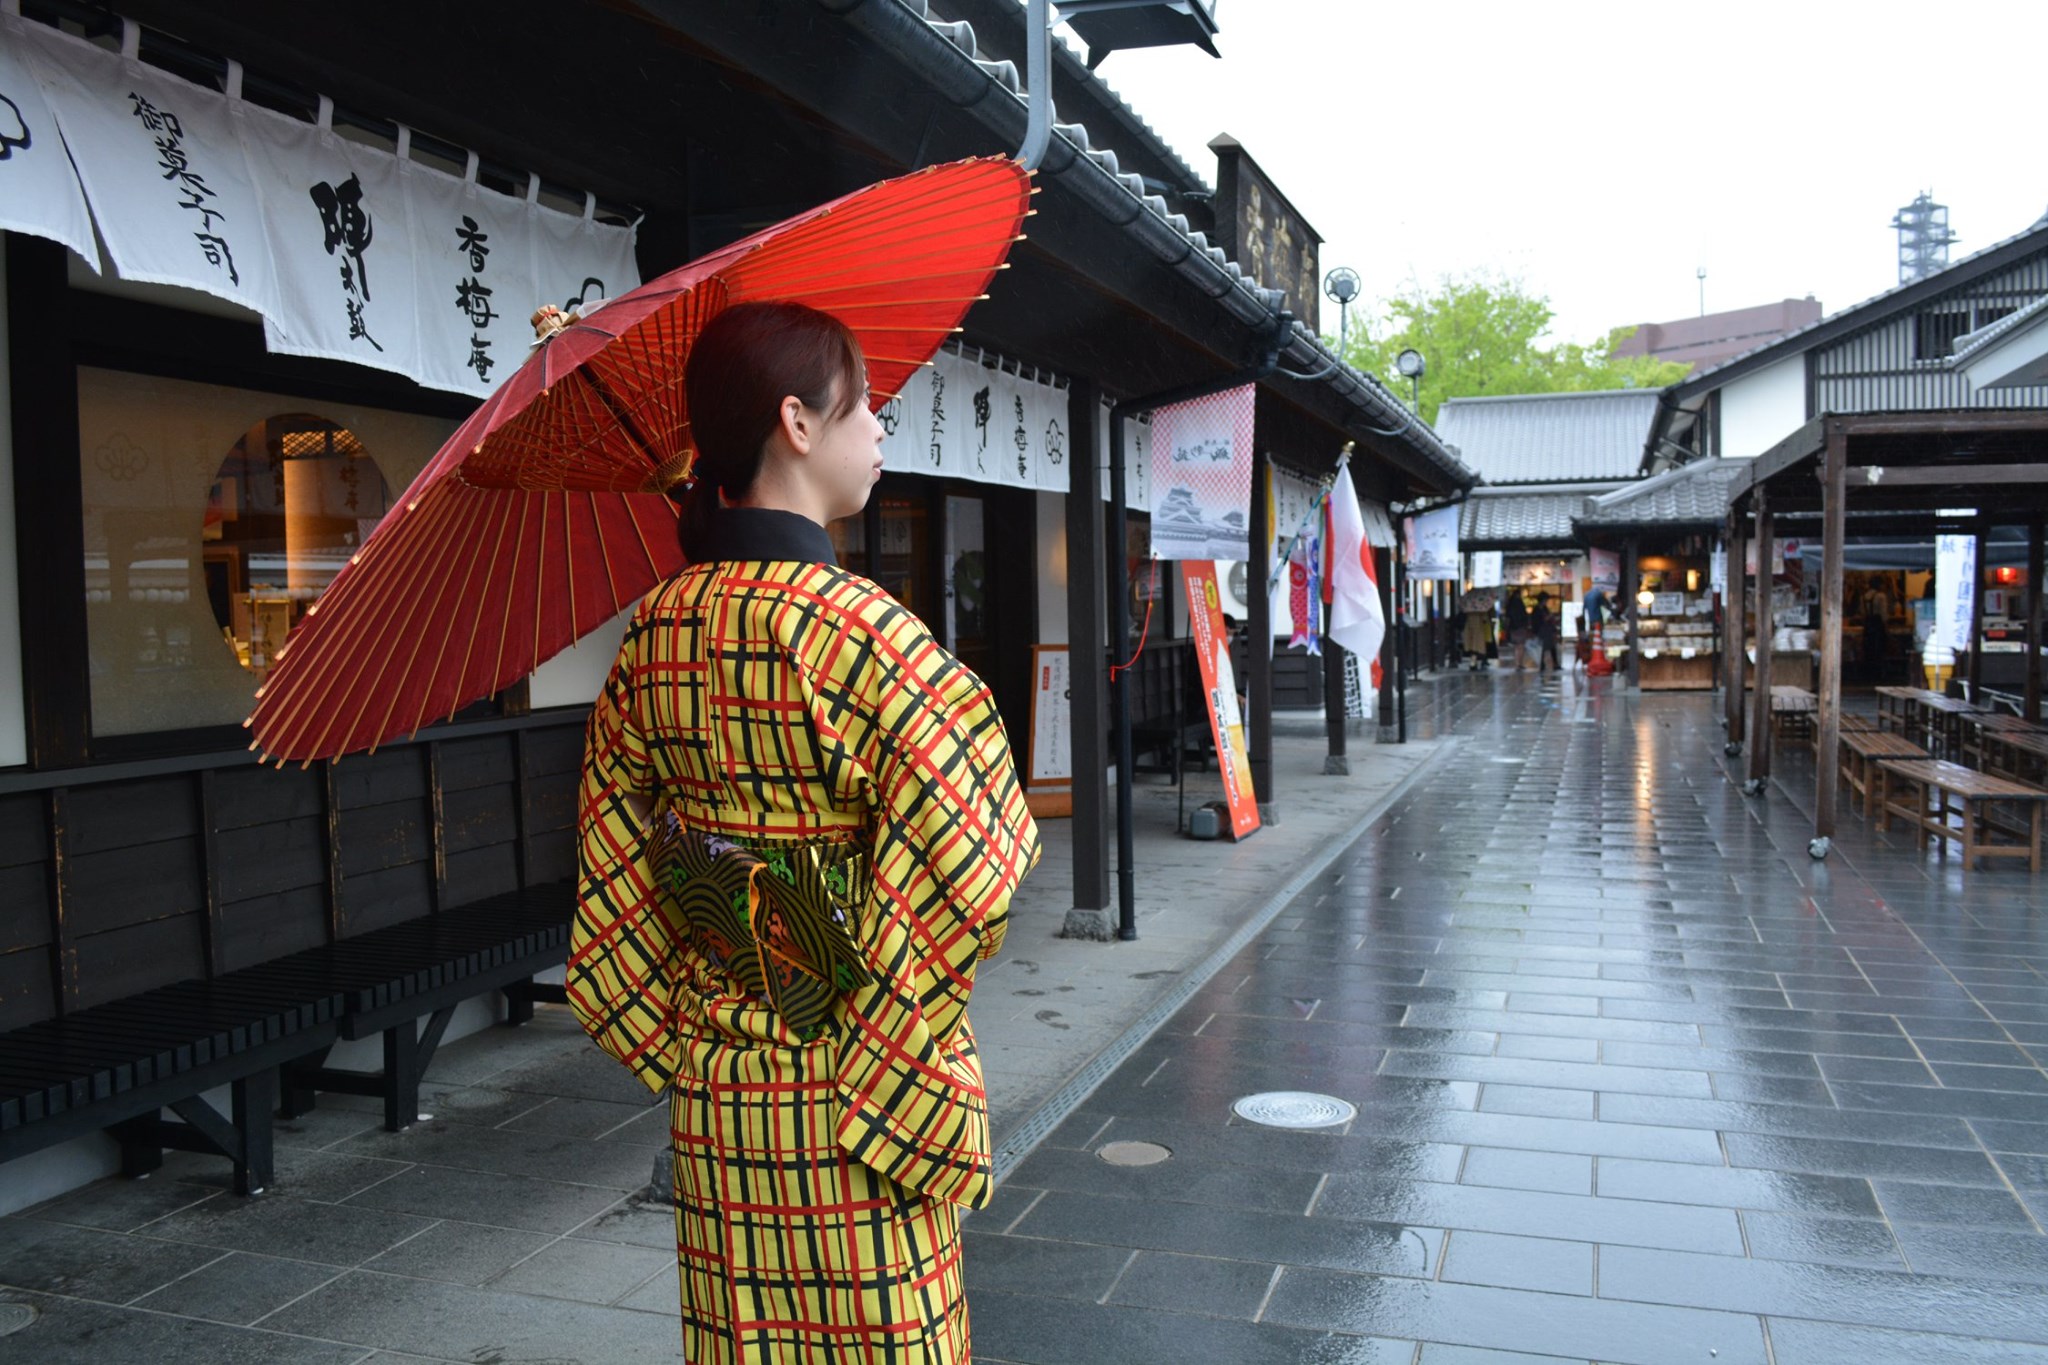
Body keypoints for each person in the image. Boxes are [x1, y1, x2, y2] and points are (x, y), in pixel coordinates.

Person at [568, 301, 1040, 1364]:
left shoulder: (658, 631)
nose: (878, 428)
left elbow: (616, 859)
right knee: (881, 1339)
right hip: (857, 1084)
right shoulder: (859, 630)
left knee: (746, 1339)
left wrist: (734, 948)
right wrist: (858, 1001)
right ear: (794, 421)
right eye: (862, 404)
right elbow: (976, 859)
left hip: (721, 1083)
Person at [1532, 595, 1562, 673]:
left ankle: (1553, 664)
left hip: (1547, 630)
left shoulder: (1544, 608)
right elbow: (1539, 620)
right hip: (1542, 630)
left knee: (1551, 647)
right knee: (1543, 647)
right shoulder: (1537, 610)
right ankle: (1543, 664)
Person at [1503, 590, 1530, 671]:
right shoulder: (1520, 604)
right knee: (1521, 646)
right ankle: (1520, 663)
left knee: (1517, 646)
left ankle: (1517, 663)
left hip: (1513, 628)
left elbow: (1507, 617)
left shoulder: (1510, 605)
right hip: (1521, 627)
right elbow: (1525, 615)